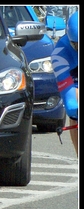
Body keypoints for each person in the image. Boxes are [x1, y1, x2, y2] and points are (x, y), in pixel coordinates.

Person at [51, 11, 78, 156]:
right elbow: (70, 103)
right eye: (77, 46)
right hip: (74, 79)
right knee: (76, 110)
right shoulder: (59, 54)